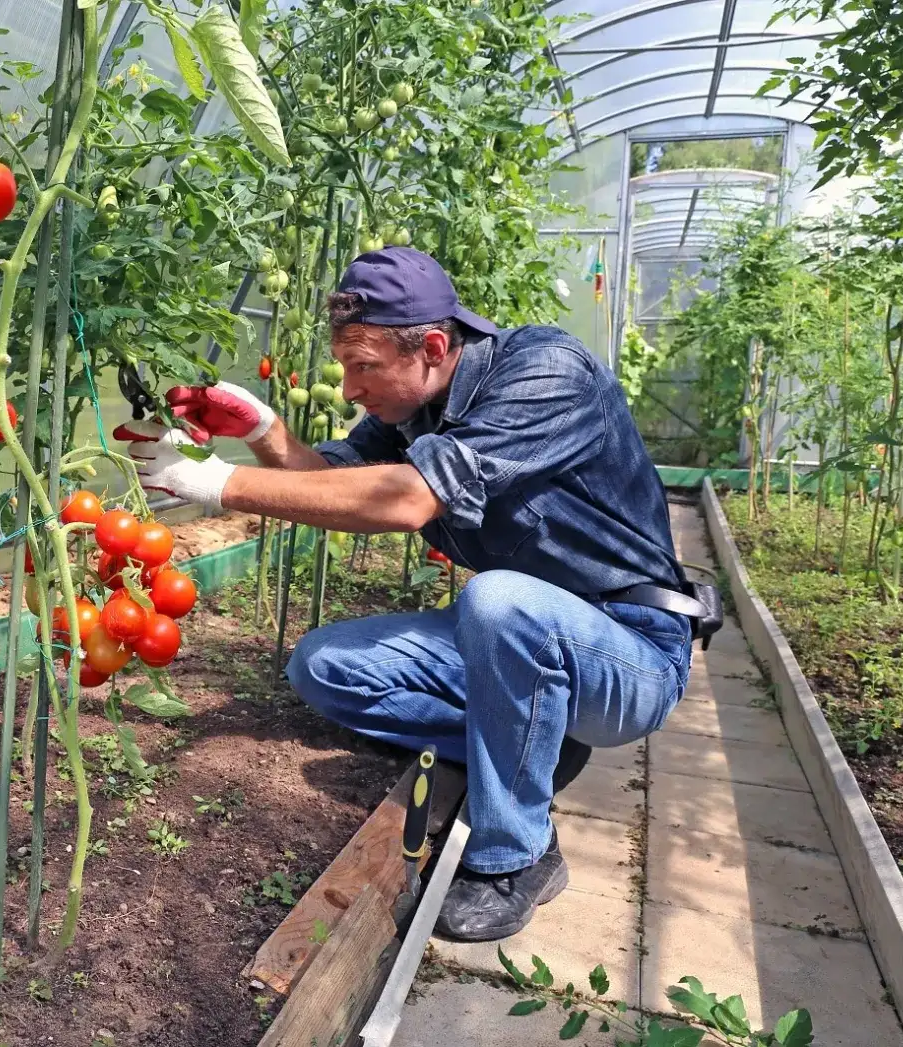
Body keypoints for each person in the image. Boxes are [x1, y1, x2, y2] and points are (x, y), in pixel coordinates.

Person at [116, 246, 695, 943]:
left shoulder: (546, 371)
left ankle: (516, 856)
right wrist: (263, 431)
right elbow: (334, 481)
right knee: (323, 665)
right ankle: (527, 744)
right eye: (345, 366)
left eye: (362, 365)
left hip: (629, 648)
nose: (351, 387)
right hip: (517, 640)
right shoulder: (412, 405)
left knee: (499, 601)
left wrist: (216, 484)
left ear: (431, 345)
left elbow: (408, 498)